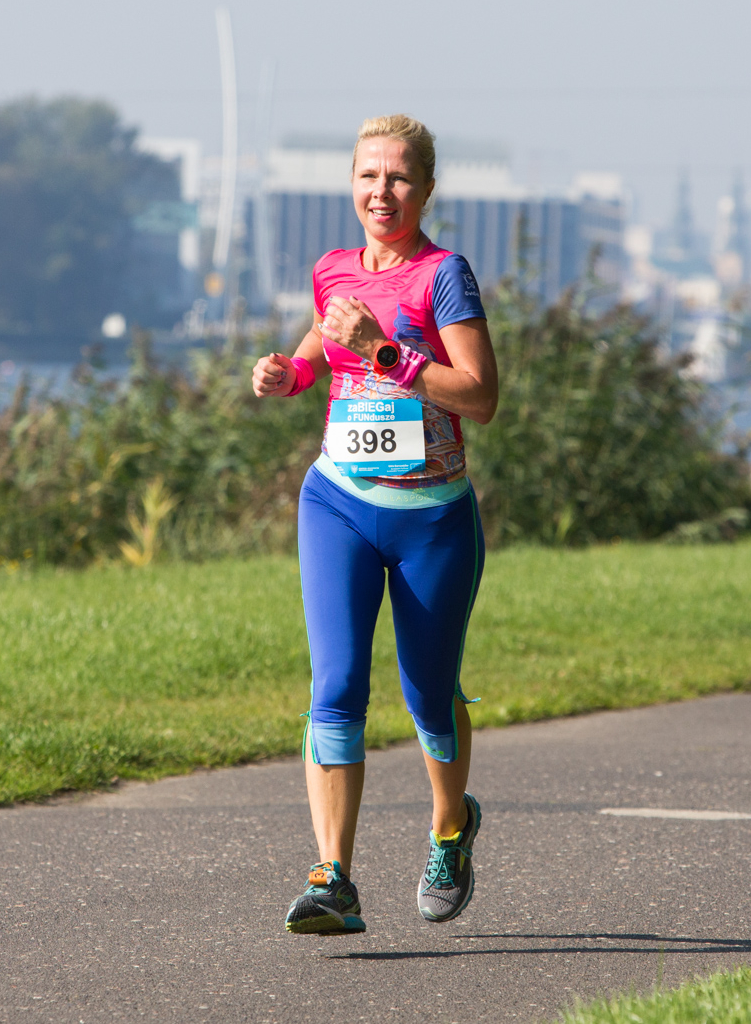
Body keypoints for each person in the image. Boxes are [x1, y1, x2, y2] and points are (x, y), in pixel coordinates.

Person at [251, 114, 499, 935]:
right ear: (350, 186)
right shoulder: (332, 272)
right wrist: (289, 373)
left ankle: (450, 825)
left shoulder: (443, 276)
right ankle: (333, 877)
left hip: (432, 519)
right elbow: (322, 352)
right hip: (338, 503)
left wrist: (390, 355)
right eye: (367, 176)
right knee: (335, 686)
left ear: (425, 190)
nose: (380, 192)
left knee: (428, 694)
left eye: (396, 178)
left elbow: (480, 396)